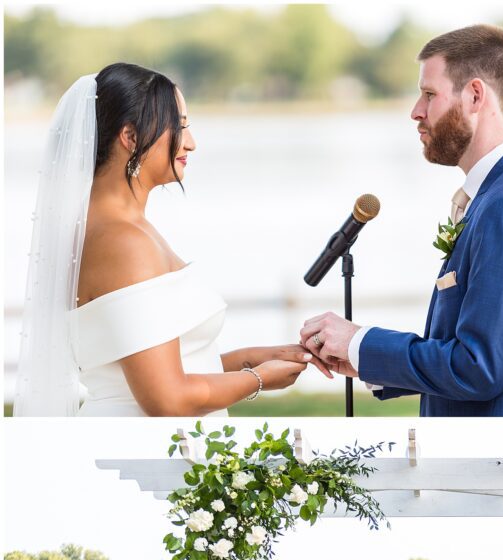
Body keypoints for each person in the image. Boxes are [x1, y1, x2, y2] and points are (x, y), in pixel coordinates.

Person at [299, 25, 503, 417]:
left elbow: (479, 367)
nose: (416, 111)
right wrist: (370, 364)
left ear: (474, 95)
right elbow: (486, 356)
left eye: (430, 94)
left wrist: (360, 342)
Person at [14, 62, 312, 417]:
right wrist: (257, 379)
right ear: (131, 137)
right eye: (180, 126)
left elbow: (147, 367)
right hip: (140, 454)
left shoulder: (115, 227)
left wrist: (250, 359)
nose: (191, 143)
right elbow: (166, 398)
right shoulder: (122, 241)